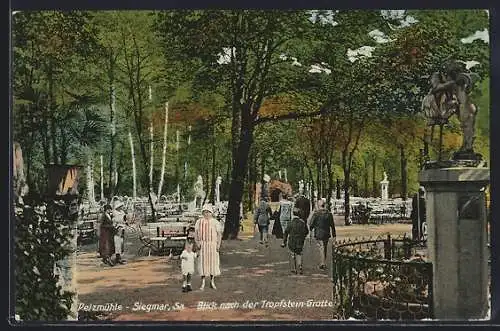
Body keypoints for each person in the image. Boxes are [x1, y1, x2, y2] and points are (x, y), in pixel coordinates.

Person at [194, 204, 222, 290]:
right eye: (205, 212)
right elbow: (196, 234)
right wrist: (197, 242)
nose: (206, 214)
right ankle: (203, 282)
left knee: (212, 263)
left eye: (208, 212)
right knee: (203, 263)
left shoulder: (215, 222)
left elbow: (219, 234)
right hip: (203, 246)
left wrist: (218, 245)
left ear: (211, 213)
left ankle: (212, 281)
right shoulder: (199, 222)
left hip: (212, 245)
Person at [281, 202, 309, 275]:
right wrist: (303, 237)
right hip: (300, 241)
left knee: (293, 254)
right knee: (299, 254)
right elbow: (306, 231)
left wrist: (284, 241)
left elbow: (286, 232)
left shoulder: (290, 223)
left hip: (292, 241)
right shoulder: (302, 223)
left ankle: (294, 268)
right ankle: (300, 266)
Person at [309, 199, 336, 270]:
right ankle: (323, 262)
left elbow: (311, 224)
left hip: (318, 234)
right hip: (326, 233)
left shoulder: (316, 214)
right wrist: (334, 235)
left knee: (321, 248)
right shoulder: (329, 214)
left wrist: (310, 230)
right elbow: (332, 225)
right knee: (324, 247)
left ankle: (322, 263)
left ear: (318, 205)